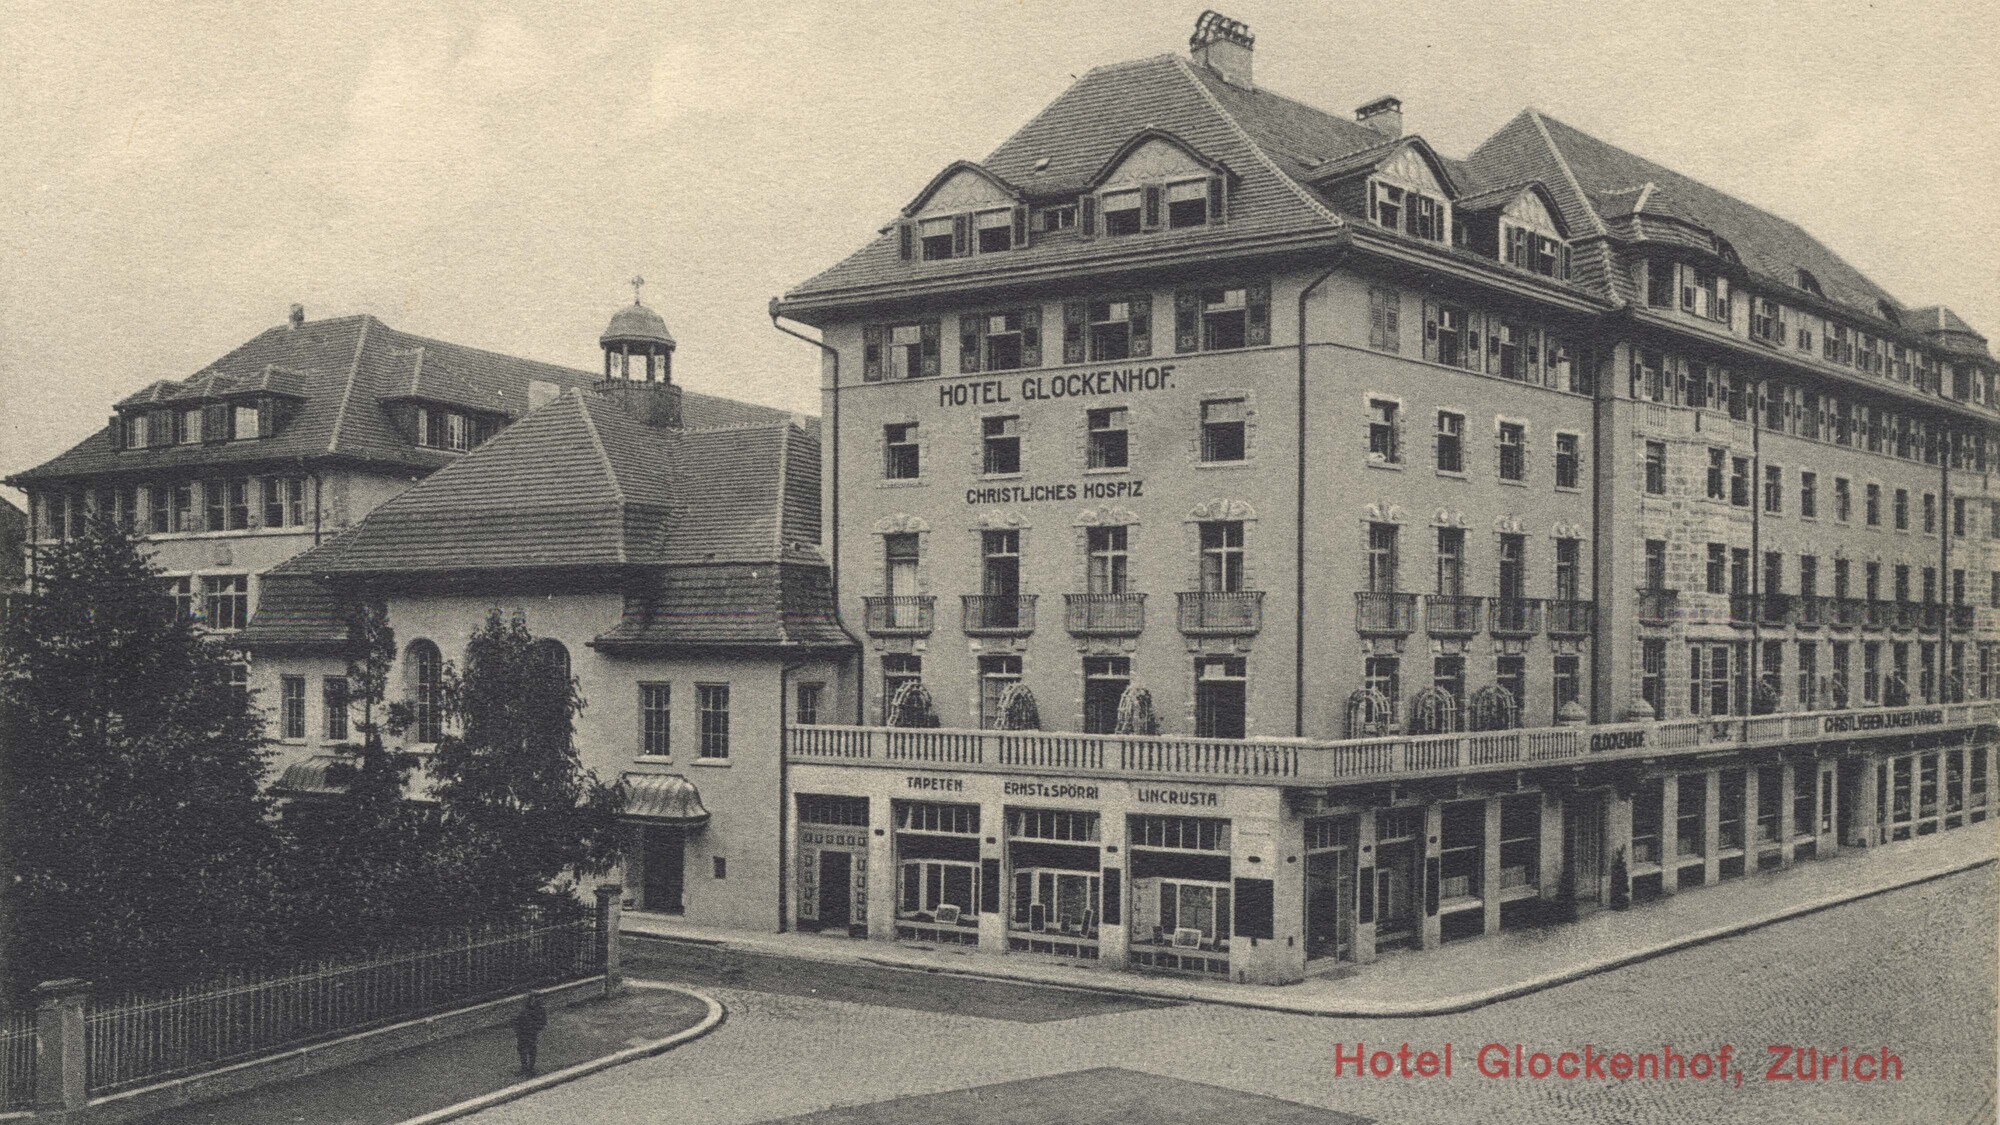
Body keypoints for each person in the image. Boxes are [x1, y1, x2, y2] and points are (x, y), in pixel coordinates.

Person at [513, 994, 547, 1076]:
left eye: (535, 999)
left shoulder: (540, 1010)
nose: (533, 1001)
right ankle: (524, 1068)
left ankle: (531, 1068)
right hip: (522, 1032)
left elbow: (542, 1022)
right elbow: (518, 1019)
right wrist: (517, 1029)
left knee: (531, 1050)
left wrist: (535, 1029)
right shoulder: (526, 1008)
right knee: (521, 1050)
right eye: (532, 999)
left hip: (531, 1033)